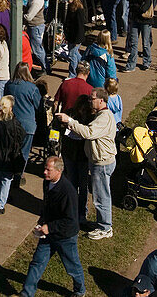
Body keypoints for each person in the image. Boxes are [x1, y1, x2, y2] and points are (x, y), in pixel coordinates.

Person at [17, 153, 86, 297]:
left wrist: (50, 227)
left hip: (65, 236)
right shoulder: (47, 182)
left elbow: (70, 220)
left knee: (72, 266)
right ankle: (26, 293)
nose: (44, 172)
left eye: (48, 170)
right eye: (45, 168)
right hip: (48, 233)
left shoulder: (68, 192)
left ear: (59, 171)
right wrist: (43, 220)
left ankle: (80, 291)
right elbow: (47, 204)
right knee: (37, 262)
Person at [57, 87, 117, 240]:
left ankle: (105, 228)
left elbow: (89, 133)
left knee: (101, 196)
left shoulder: (104, 117)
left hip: (102, 163)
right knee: (100, 194)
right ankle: (103, 224)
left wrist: (70, 121)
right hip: (98, 161)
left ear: (101, 100)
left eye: (92, 99)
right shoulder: (101, 115)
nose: (90, 101)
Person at [0, 94, 26, 214]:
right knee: (6, 179)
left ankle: (3, 196)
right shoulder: (13, 123)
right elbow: (22, 135)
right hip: (9, 155)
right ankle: (0, 203)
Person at [5, 62, 42, 170]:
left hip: (11, 123)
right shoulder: (32, 88)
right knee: (24, 153)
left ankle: (9, 172)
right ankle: (18, 175)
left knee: (10, 150)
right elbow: (39, 107)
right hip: (27, 126)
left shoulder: (9, 85)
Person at [124, 0, 153, 72]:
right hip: (135, 20)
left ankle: (147, 62)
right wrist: (137, 7)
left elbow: (144, 8)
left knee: (145, 43)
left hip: (145, 21)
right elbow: (131, 4)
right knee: (134, 43)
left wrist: (136, 7)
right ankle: (131, 65)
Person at [24, 0, 47, 72]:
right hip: (34, 26)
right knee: (36, 48)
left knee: (37, 49)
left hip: (35, 26)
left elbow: (29, 17)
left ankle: (45, 68)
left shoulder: (37, 0)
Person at [62, 0, 86, 77]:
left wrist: (77, 40)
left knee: (72, 55)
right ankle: (84, 64)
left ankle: (72, 74)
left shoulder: (79, 9)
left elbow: (80, 26)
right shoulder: (71, 6)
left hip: (76, 37)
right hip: (71, 36)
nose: (68, 0)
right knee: (75, 54)